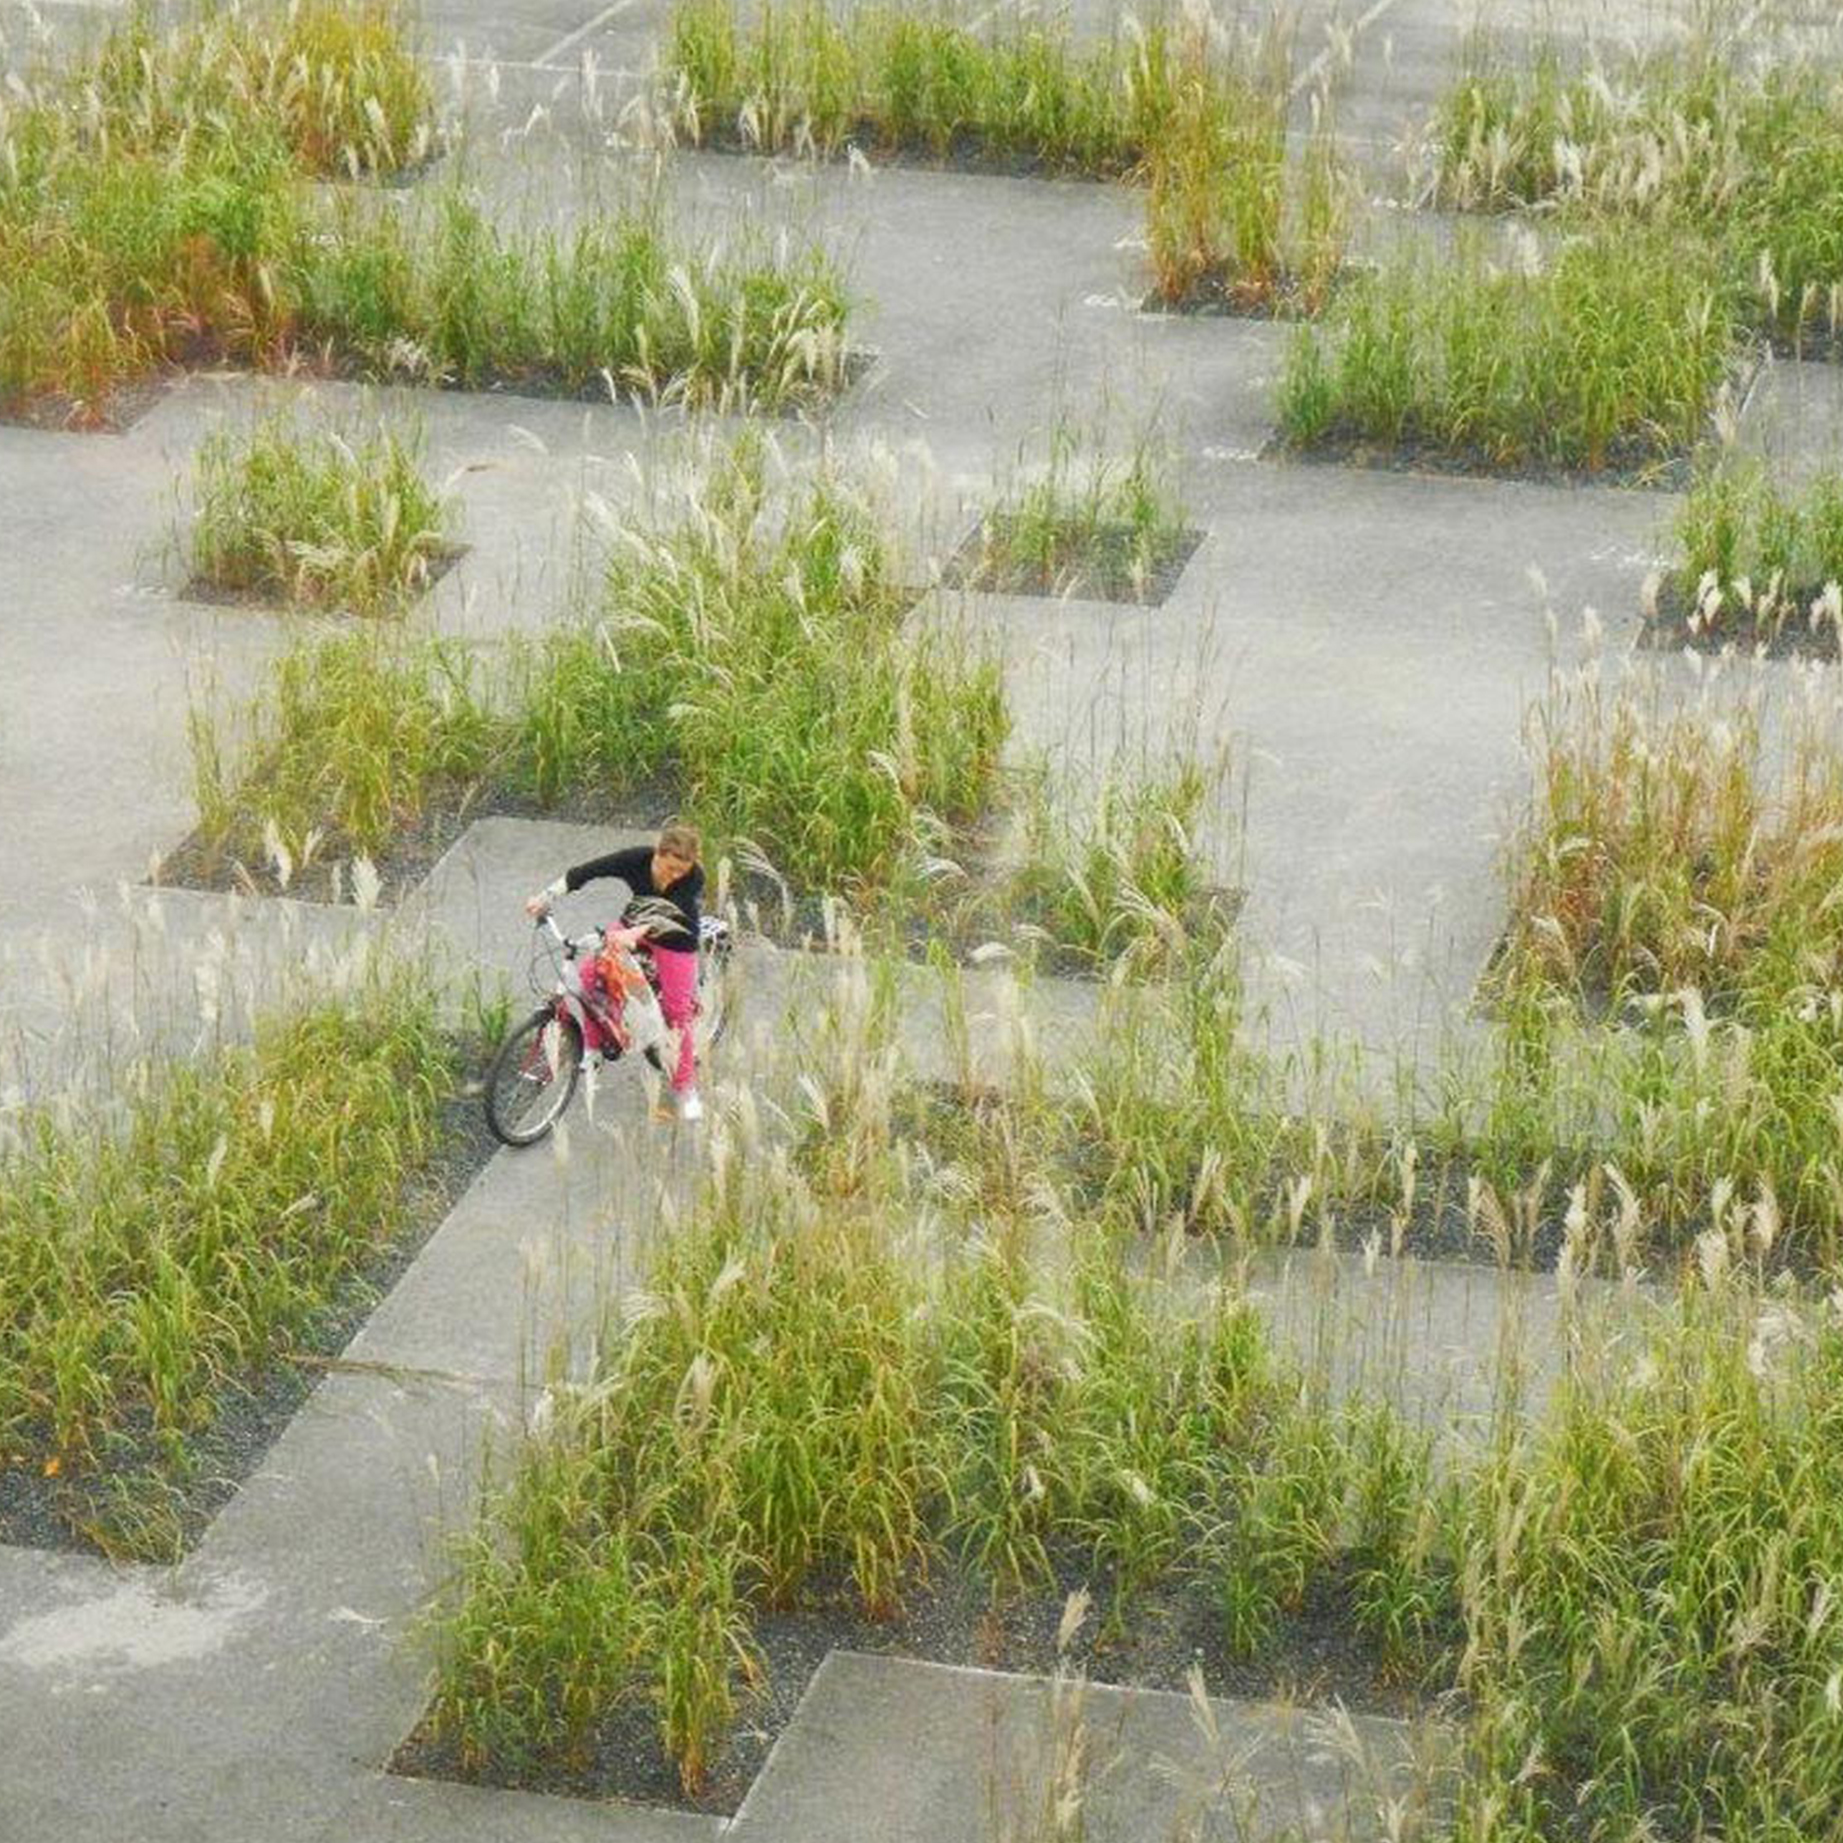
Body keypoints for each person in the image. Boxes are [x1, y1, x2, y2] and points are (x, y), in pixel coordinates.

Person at [526, 823, 706, 1123]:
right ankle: (593, 1049)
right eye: (670, 868)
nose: (675, 875)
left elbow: (670, 912)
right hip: (633, 924)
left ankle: (685, 1086)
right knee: (588, 978)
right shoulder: (636, 859)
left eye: (681, 871)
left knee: (677, 1013)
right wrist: (545, 897)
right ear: (657, 854)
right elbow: (585, 872)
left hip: (676, 937)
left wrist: (632, 935)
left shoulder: (694, 877)